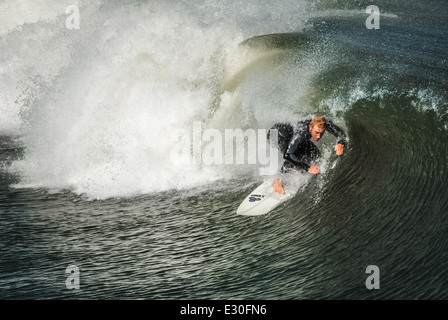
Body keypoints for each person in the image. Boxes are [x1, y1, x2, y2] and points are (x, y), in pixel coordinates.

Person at [269, 116, 347, 194]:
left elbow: (341, 134)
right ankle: (277, 180)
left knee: (316, 154)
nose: (319, 136)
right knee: (296, 154)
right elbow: (287, 155)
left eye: (321, 133)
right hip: (276, 135)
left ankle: (298, 167)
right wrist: (308, 168)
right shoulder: (301, 133)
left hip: (290, 133)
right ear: (310, 128)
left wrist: (340, 143)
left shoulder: (323, 123)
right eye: (316, 132)